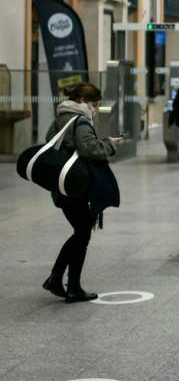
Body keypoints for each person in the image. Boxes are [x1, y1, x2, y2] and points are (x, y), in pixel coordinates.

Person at [42, 83, 123, 302]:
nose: (95, 109)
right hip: (75, 185)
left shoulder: (60, 117)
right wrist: (109, 144)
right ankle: (70, 286)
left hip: (61, 183)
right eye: (94, 104)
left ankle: (57, 279)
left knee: (81, 231)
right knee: (82, 232)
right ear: (82, 101)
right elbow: (88, 148)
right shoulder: (80, 120)